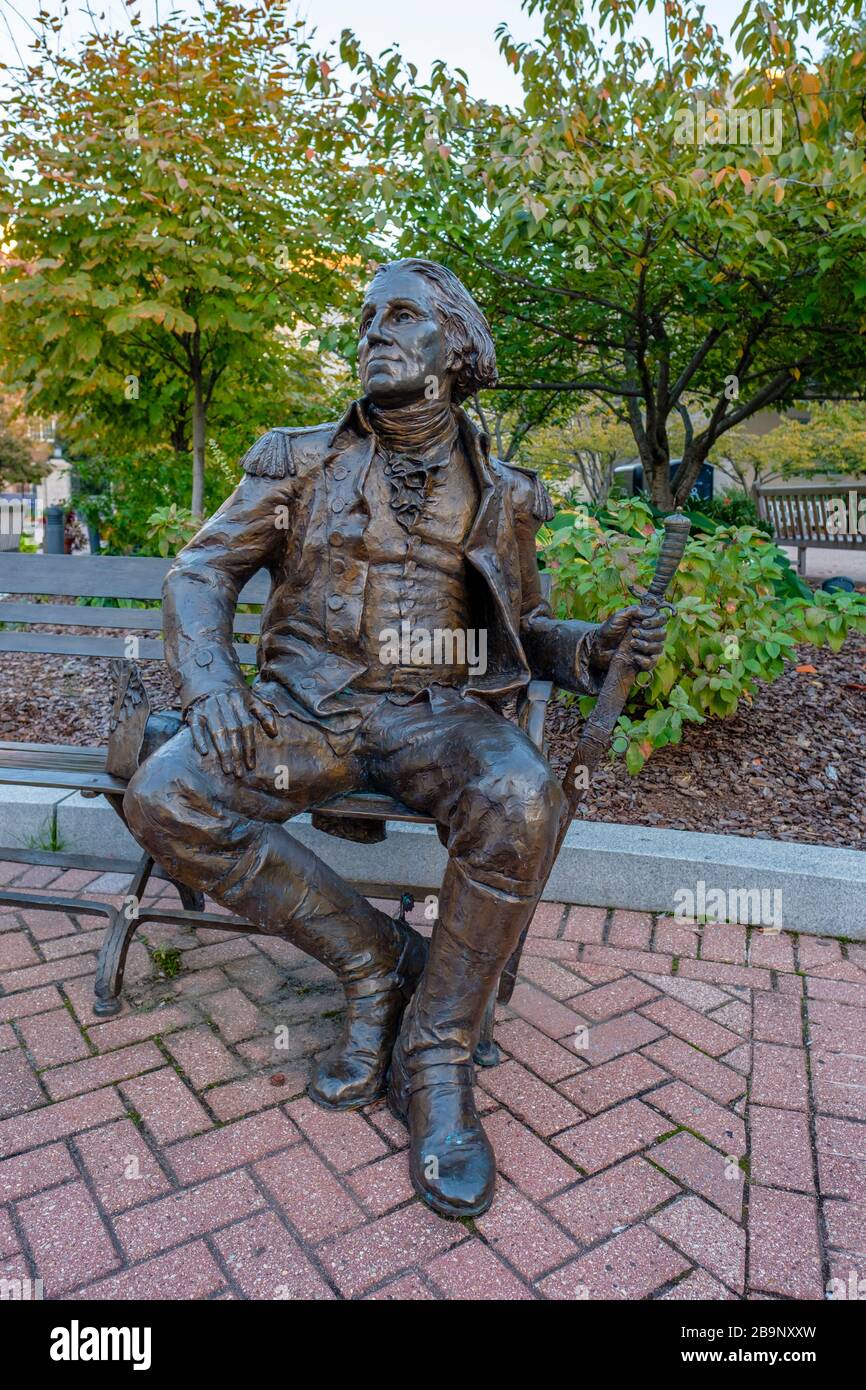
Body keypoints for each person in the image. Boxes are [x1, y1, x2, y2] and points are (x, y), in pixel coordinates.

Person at [124, 258, 666, 1217]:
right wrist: (213, 685)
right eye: (366, 316)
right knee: (167, 795)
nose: (372, 330)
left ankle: (436, 1052)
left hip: (436, 717)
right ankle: (377, 962)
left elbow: (525, 627)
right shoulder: (296, 458)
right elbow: (199, 572)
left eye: (401, 316)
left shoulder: (504, 488)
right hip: (304, 711)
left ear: (454, 350)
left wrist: (592, 648)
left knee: (521, 794)